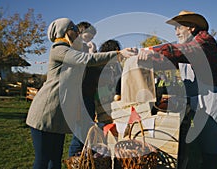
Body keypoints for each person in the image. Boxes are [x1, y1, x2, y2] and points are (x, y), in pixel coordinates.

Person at [25, 17, 135, 169]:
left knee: (55, 160)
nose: (77, 32)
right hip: (45, 112)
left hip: (59, 115)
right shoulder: (59, 49)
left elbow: (90, 65)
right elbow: (86, 59)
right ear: (65, 31)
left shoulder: (73, 51)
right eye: (74, 29)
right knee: (42, 160)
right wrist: (117, 53)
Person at [137, 10, 217, 169]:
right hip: (197, 98)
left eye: (179, 27)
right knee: (200, 142)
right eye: (175, 28)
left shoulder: (204, 40)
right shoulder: (189, 43)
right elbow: (170, 61)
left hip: (213, 98)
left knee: (215, 145)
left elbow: (179, 51)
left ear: (191, 27)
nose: (176, 31)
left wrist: (151, 51)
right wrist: (148, 62)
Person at [68, 21, 98, 157]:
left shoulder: (85, 48)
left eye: (92, 36)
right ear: (80, 32)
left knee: (86, 131)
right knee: (79, 133)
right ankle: (73, 159)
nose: (91, 38)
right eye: (88, 35)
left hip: (89, 93)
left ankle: (81, 161)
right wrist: (91, 54)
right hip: (81, 94)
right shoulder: (76, 49)